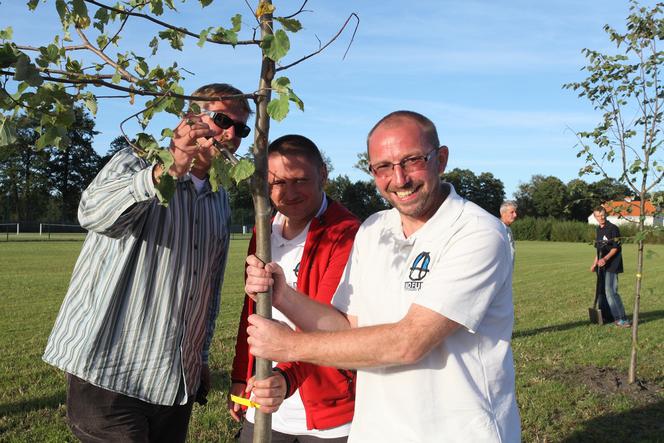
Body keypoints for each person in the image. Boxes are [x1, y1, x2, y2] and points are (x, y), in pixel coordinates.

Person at [244, 111, 521, 442]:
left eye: (412, 160)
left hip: (456, 432)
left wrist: (290, 346)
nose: (399, 178)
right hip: (375, 431)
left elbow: (410, 342)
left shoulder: (476, 232)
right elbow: (347, 326)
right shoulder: (375, 229)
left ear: (441, 159)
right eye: (383, 167)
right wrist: (283, 295)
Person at [42, 83, 276, 442]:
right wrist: (166, 172)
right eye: (221, 119)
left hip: (173, 379)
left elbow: (207, 286)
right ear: (188, 118)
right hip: (108, 371)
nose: (231, 133)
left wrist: (199, 355)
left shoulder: (219, 196)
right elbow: (91, 214)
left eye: (241, 128)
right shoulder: (138, 159)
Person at [229, 135, 360, 443]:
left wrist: (284, 378)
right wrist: (240, 375)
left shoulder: (346, 234)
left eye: (300, 180)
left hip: (327, 409)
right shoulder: (265, 230)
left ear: (323, 175)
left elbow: (327, 324)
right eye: (277, 183)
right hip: (263, 395)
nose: (288, 193)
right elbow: (250, 312)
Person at [590, 206, 631, 328]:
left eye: (602, 215)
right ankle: (606, 316)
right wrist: (594, 264)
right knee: (601, 292)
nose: (601, 218)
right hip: (601, 266)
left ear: (606, 214)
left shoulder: (613, 229)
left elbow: (616, 248)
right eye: (598, 216)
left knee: (611, 292)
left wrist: (605, 259)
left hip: (612, 265)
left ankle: (622, 318)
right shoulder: (598, 230)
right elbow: (599, 250)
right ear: (595, 217)